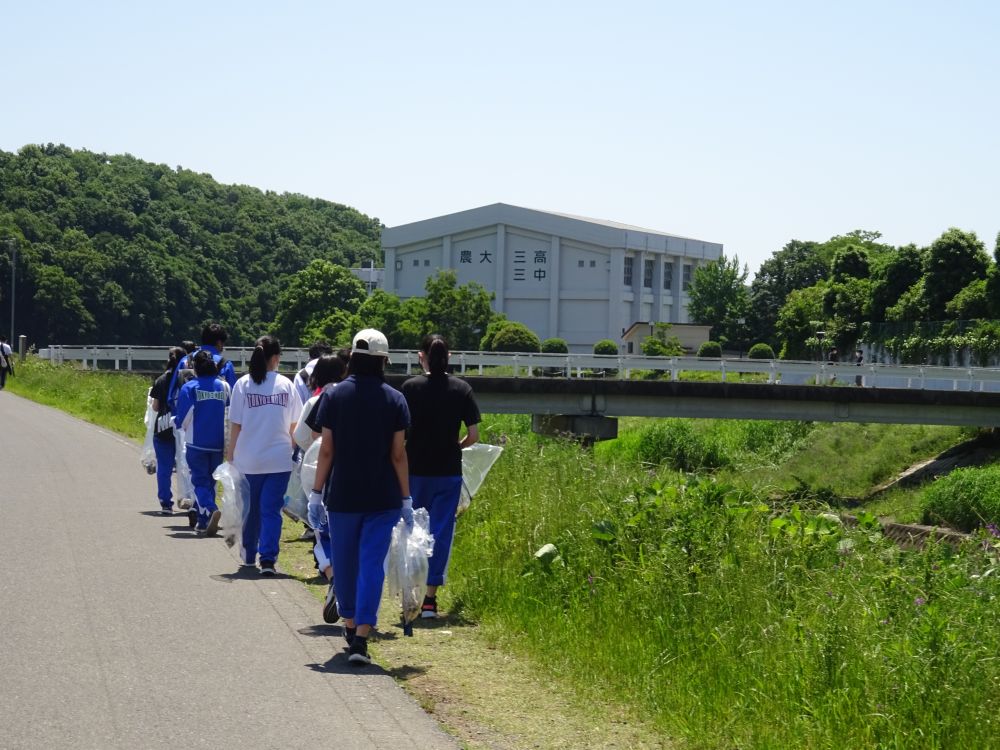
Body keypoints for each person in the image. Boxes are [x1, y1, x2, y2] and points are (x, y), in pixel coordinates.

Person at [308, 329, 410, 665]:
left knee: (346, 563)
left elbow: (326, 451)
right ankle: (361, 637)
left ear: (352, 357)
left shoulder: (334, 396)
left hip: (343, 496)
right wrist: (406, 498)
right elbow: (398, 455)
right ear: (383, 361)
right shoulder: (395, 399)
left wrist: (316, 492)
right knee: (371, 566)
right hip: (383, 497)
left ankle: (350, 624)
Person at [400, 334, 481, 619]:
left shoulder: (410, 387)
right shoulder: (462, 389)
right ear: (450, 356)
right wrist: (455, 447)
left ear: (421, 355)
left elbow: (400, 433)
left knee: (411, 529)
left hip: (415, 469)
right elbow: (473, 436)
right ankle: (430, 602)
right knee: (440, 532)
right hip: (448, 471)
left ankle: (409, 590)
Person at [227, 336, 302, 576]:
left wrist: (230, 456)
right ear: (276, 358)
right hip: (279, 459)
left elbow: (236, 425)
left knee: (250, 510)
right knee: (271, 510)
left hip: (248, 459)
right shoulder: (286, 384)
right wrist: (293, 450)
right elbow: (295, 426)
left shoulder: (243, 385)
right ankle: (268, 559)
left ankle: (249, 554)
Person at [292, 354, 348, 587]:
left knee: (321, 525)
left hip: (318, 471)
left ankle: (330, 570)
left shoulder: (317, 401)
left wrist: (313, 451)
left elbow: (301, 436)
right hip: (351, 471)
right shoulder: (350, 396)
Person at [173, 350, 230, 535]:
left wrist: (177, 422)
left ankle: (211, 508)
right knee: (211, 481)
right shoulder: (224, 387)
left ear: (195, 367)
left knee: (198, 481)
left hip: (196, 442)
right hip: (219, 442)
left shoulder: (190, 387)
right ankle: (203, 520)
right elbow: (230, 414)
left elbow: (184, 417)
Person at [149, 347, 187, 514]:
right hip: (181, 427)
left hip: (163, 428)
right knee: (185, 466)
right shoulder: (185, 380)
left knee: (164, 467)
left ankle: (166, 503)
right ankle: (188, 499)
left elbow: (155, 407)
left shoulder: (161, 379)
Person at [167, 322, 237, 412]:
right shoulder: (225, 364)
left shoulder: (185, 361)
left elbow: (171, 396)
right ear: (219, 342)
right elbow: (234, 400)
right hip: (216, 420)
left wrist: (179, 420)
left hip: (188, 421)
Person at [293, 340, 334, 406]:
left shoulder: (301, 375)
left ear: (310, 358)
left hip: (309, 414)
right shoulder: (338, 372)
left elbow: (297, 405)